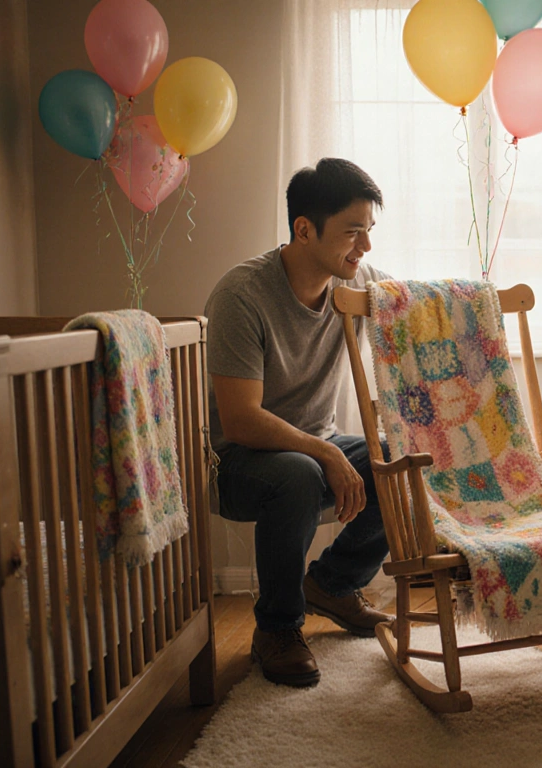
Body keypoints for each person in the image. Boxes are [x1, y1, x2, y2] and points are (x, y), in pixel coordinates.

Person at [206, 158, 394, 688]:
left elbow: (420, 308)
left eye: (369, 231)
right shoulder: (241, 295)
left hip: (315, 448)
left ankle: (333, 584)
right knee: (299, 473)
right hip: (236, 462)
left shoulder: (357, 283)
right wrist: (327, 452)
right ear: (304, 229)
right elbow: (240, 421)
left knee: (399, 458)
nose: (366, 247)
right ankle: (278, 628)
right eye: (353, 232)